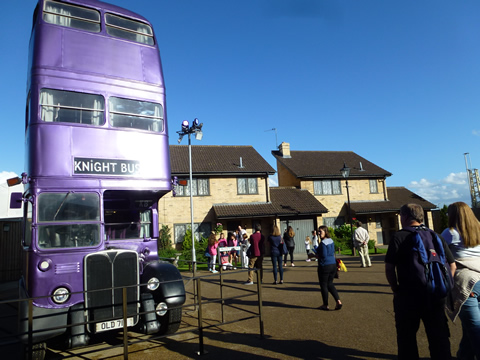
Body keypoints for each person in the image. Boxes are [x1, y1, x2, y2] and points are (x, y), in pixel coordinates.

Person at [385, 203, 456, 360]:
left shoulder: (399, 236)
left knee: (407, 338)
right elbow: (452, 264)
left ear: (405, 216)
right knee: (439, 336)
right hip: (435, 294)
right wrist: (444, 285)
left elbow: (389, 268)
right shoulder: (435, 235)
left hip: (408, 295)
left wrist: (395, 288)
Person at [441, 202, 480, 360]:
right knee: (470, 328)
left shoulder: (450, 232)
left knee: (476, 330)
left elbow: (440, 253)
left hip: (466, 282)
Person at [316, 225, 342, 311]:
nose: (319, 233)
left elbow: (323, 255)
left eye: (321, 231)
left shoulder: (323, 243)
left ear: (325, 232)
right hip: (333, 264)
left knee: (323, 285)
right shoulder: (331, 241)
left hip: (325, 266)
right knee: (330, 284)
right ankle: (338, 301)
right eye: (319, 231)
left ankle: (325, 304)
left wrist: (313, 255)